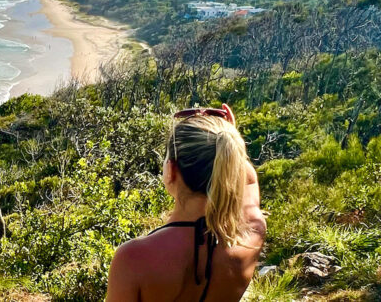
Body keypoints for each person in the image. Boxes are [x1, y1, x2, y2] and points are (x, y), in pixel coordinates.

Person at [106, 104, 266, 302]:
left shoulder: (132, 258)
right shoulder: (251, 235)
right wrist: (226, 143)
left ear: (171, 170)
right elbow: (250, 182)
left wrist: (223, 144)